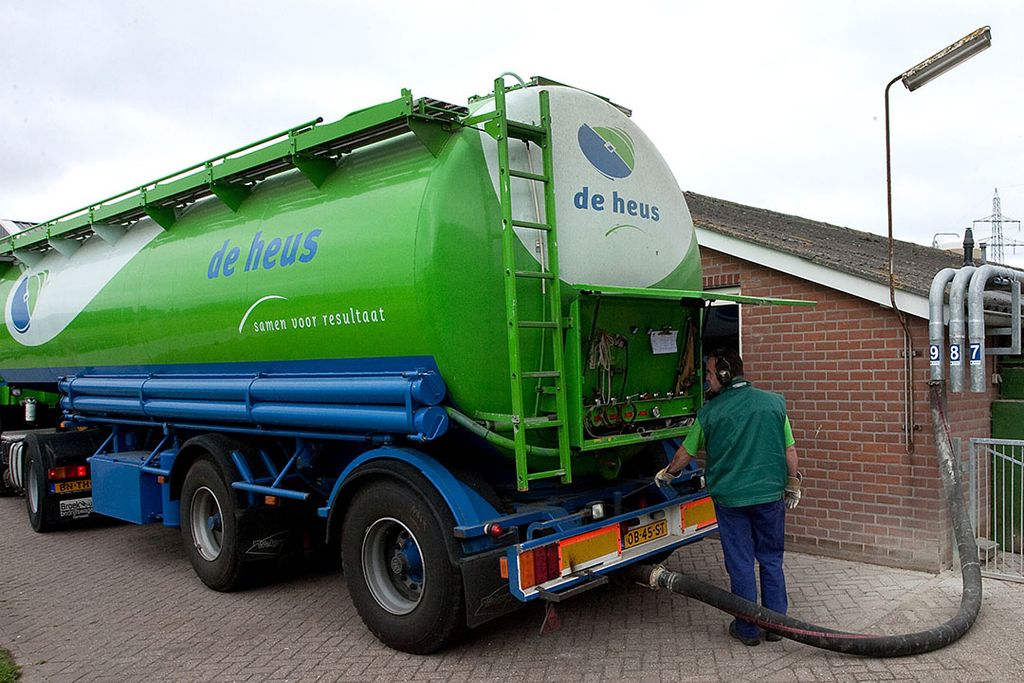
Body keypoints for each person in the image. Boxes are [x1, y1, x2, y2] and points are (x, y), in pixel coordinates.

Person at [655, 348, 801, 646]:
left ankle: (748, 630)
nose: (706, 380)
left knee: (740, 562)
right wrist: (792, 484)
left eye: (709, 374)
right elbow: (789, 451)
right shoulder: (773, 404)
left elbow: (685, 453)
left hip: (731, 501)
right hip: (769, 497)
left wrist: (667, 474)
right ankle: (778, 626)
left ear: (723, 373)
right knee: (771, 559)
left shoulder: (710, 413)